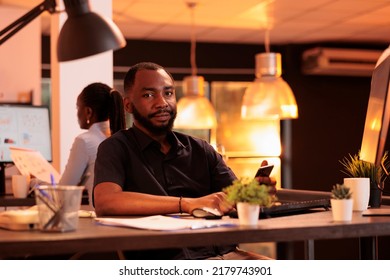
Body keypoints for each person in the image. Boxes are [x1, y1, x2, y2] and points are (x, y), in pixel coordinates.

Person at [93, 62, 276, 259]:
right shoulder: (115, 147)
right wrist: (187, 203)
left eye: (168, 93)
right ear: (128, 104)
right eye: (148, 95)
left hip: (227, 254)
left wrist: (256, 193)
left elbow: (234, 199)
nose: (162, 102)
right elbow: (106, 201)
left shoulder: (202, 149)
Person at [59, 82, 126, 210]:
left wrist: (36, 184)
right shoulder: (125, 138)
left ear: (88, 112)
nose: (77, 113)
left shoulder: (85, 141)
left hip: (99, 222)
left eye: (78, 108)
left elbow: (63, 191)